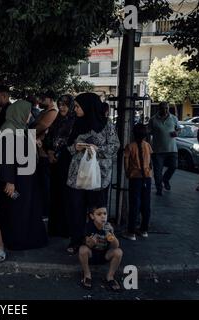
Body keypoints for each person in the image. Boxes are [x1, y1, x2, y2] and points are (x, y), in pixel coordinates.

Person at [66, 92, 120, 254]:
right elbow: (68, 147)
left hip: (99, 176)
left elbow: (115, 146)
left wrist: (98, 149)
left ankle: (100, 242)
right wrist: (75, 147)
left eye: (77, 106)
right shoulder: (76, 123)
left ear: (88, 106)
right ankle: (77, 241)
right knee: (76, 209)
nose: (75, 109)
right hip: (78, 176)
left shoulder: (107, 124)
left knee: (97, 210)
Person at [0, 100, 48, 250]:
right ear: (19, 112)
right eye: (28, 112)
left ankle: (26, 239)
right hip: (16, 180)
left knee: (25, 208)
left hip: (25, 178)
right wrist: (9, 181)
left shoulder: (19, 128)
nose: (30, 115)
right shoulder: (8, 130)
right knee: (18, 209)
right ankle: (18, 241)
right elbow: (6, 158)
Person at [44, 94, 76, 237]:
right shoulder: (57, 121)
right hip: (55, 165)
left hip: (68, 164)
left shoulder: (75, 122)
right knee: (55, 196)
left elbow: (73, 143)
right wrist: (50, 152)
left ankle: (66, 229)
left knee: (67, 196)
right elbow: (49, 139)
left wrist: (59, 154)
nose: (62, 107)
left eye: (65, 104)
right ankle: (55, 228)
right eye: (60, 104)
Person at [78, 207, 123, 291]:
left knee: (119, 252)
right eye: (99, 214)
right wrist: (92, 242)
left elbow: (116, 246)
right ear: (92, 216)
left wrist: (111, 236)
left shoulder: (108, 227)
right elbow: (88, 245)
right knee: (82, 249)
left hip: (105, 255)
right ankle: (87, 275)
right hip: (91, 255)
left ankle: (110, 276)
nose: (103, 216)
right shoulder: (89, 227)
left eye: (105, 214)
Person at [123, 124, 153, 240]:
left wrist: (127, 173)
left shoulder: (130, 146)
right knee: (146, 204)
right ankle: (144, 230)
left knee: (134, 204)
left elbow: (126, 162)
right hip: (147, 177)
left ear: (133, 134)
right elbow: (150, 163)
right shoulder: (148, 146)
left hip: (135, 178)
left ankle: (131, 232)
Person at [33, 91, 58, 219]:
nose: (40, 101)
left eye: (43, 98)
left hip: (44, 152)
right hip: (40, 151)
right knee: (42, 183)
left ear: (51, 99)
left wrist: (29, 133)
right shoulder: (45, 111)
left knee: (45, 184)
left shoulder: (52, 112)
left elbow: (41, 126)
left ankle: (46, 212)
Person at [148, 102, 181, 196]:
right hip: (158, 150)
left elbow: (178, 129)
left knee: (174, 166)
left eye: (166, 108)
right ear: (159, 109)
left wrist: (177, 132)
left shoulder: (174, 118)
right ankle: (159, 188)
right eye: (163, 108)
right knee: (158, 171)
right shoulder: (153, 120)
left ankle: (165, 179)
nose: (165, 110)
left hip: (172, 149)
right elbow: (148, 132)